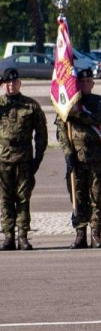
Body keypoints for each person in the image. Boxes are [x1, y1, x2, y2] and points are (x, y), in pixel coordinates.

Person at [56, 67, 101, 248]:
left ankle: (96, 234)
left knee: (97, 198)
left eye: (88, 81)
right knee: (78, 198)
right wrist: (68, 153)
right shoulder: (67, 104)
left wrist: (78, 113)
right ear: (76, 83)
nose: (85, 84)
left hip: (97, 159)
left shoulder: (99, 101)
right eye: (82, 81)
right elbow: (61, 132)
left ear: (93, 83)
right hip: (76, 159)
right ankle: (80, 234)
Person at [0, 68, 47, 250]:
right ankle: (8, 237)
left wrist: (38, 158)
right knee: (5, 199)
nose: (12, 86)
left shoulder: (31, 106)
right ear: (4, 85)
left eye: (15, 82)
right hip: (3, 158)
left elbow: (41, 134)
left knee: (23, 198)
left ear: (20, 83)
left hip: (24, 159)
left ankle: (23, 236)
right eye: (8, 83)